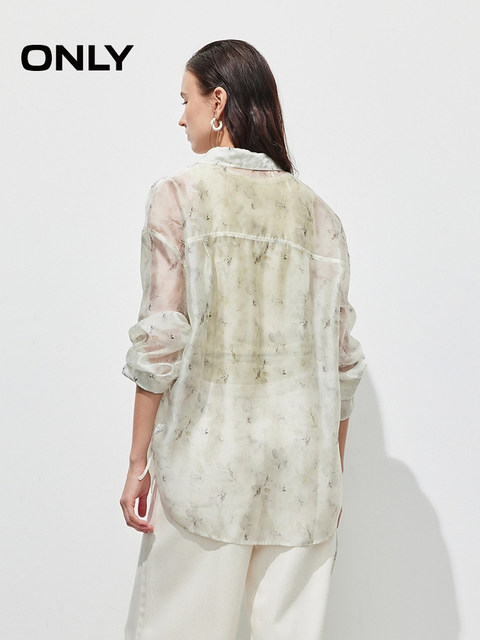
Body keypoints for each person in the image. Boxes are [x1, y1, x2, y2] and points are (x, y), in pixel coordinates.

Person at [120, 39, 365, 640]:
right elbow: (343, 367)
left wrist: (136, 462)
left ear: (218, 102)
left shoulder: (179, 196)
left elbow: (160, 340)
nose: (181, 116)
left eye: (186, 99)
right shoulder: (321, 217)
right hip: (303, 481)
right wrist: (331, 474)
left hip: (206, 471)